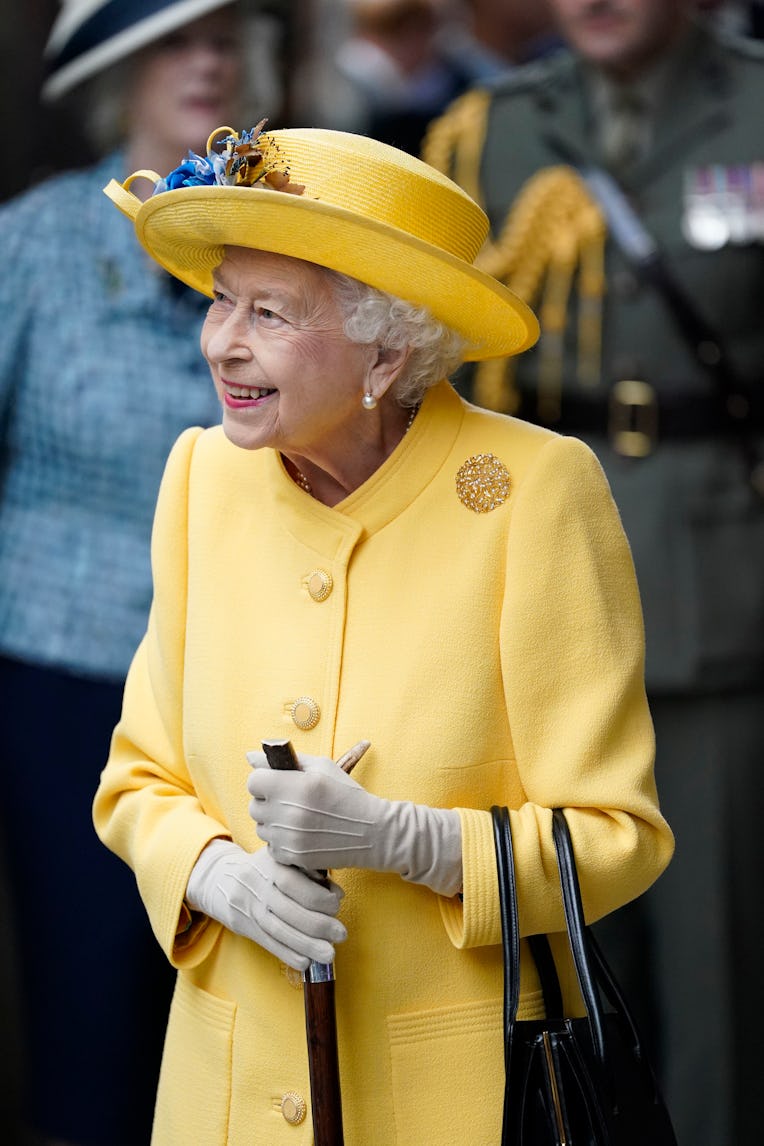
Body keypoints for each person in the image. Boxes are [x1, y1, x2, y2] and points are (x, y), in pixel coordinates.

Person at [92, 119, 673, 1143]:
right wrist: (210, 874)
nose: (222, 340)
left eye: (270, 312)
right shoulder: (202, 477)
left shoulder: (536, 494)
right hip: (226, 1090)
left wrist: (404, 841)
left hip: (449, 1095)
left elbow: (614, 839)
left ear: (386, 346)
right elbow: (137, 780)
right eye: (223, 297)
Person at [422, 2, 764, 1143]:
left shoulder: (753, 104)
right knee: (561, 963)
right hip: (526, 584)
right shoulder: (490, 130)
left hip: (712, 588)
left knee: (718, 973)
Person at [0, 3, 260, 1143]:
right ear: (117, 77)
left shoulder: (268, 248)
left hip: (241, 693)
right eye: (171, 41)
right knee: (94, 1014)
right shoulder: (36, 243)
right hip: (67, 687)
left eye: (221, 39)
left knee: (233, 1022)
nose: (204, 61)